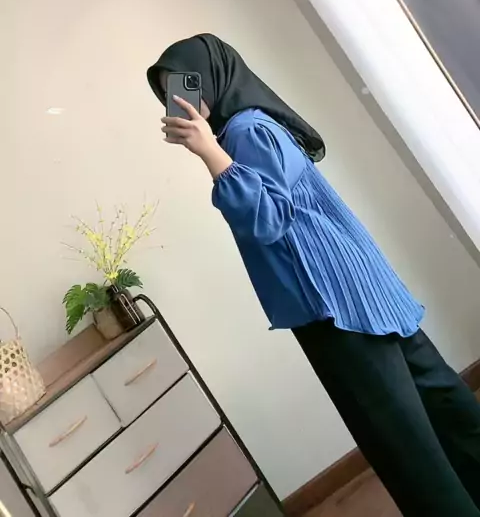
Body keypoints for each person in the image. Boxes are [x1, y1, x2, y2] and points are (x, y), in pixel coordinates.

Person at [147, 33, 480, 517]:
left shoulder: (243, 133)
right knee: (443, 404)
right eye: (166, 93)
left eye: (184, 84)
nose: (176, 100)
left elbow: (267, 219)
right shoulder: (260, 122)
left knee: (405, 447)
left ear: (210, 78)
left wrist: (209, 153)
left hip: (330, 305)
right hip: (361, 285)